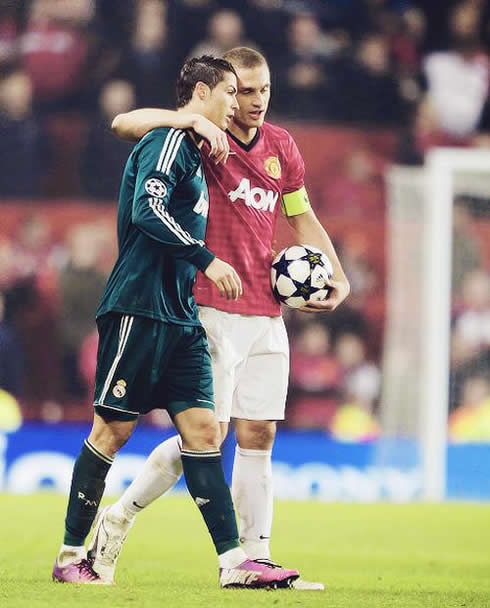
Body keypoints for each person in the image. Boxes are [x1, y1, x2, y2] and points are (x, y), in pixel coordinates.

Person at [100, 46, 350, 589]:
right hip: (211, 305)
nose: (257, 102)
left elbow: (299, 215)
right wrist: (187, 116)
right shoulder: (201, 137)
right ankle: (120, 516)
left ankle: (257, 555)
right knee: (207, 433)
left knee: (259, 432)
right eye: (247, 91)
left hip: (268, 310)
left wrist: (338, 272)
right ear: (228, 93)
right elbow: (125, 123)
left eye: (265, 91)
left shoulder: (282, 146)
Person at [52, 54, 299, 590]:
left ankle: (234, 562)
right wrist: (204, 256)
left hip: (180, 312)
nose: (237, 103)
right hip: (138, 305)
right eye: (232, 92)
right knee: (112, 430)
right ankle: (72, 554)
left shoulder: (201, 146)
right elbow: (147, 208)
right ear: (205, 91)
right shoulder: (170, 142)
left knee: (205, 431)